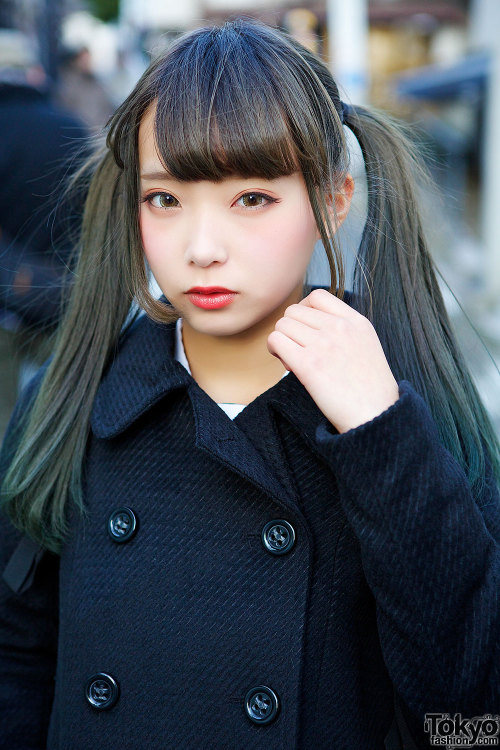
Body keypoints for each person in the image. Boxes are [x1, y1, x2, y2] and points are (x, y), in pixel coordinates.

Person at [0, 19, 498, 750]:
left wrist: (385, 439)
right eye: (166, 199)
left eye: (253, 199)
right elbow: (15, 656)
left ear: (334, 201)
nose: (202, 249)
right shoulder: (68, 400)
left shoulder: (404, 423)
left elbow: (472, 724)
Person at [0, 28, 89, 441]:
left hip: (6, 303)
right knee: (58, 418)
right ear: (31, 75)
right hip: (63, 296)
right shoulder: (69, 128)